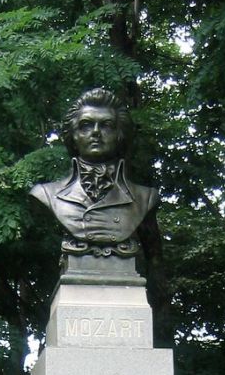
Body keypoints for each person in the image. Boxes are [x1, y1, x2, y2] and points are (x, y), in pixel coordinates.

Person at [30, 88, 159, 257]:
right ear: (73, 136)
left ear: (120, 136)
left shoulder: (145, 198)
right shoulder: (46, 194)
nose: (96, 132)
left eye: (106, 125)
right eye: (86, 125)